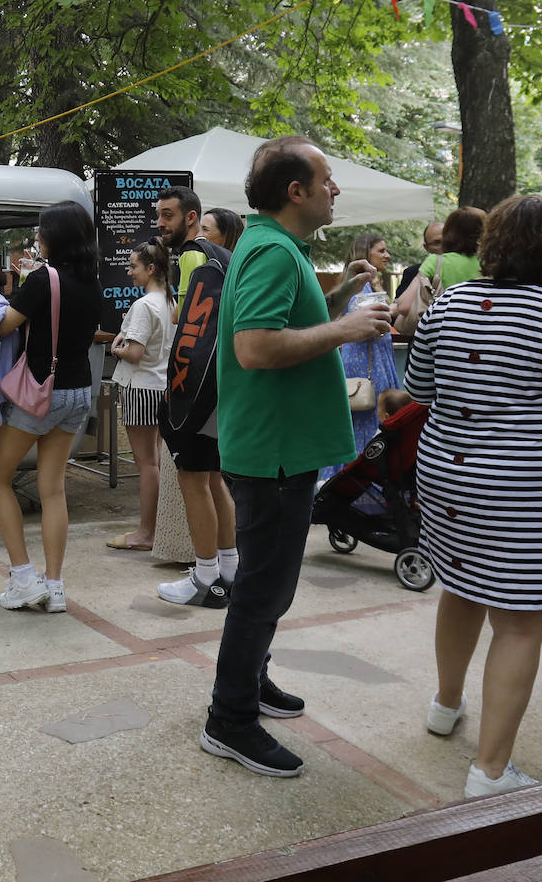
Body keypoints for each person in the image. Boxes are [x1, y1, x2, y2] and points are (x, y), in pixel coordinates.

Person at [406, 195, 542, 797]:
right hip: (520, 485)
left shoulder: (449, 301)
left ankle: (445, 706)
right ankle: (491, 772)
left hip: (444, 473)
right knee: (521, 623)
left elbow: (418, 384)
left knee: (460, 587)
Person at [201, 134, 392, 778]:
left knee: (268, 581)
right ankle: (229, 719)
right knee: (265, 588)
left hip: (275, 448)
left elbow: (280, 325)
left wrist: (339, 301)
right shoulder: (275, 253)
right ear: (296, 191)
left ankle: (251, 683)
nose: (335, 189)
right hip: (273, 453)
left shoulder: (272, 246)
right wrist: (346, 328)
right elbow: (255, 347)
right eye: (327, 179)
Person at [0, 201, 103, 614]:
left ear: (55, 238)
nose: (37, 238)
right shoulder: (91, 281)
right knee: (53, 489)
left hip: (38, 394)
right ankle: (56, 585)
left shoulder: (43, 279)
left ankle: (23, 576)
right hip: (78, 392)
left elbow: (0, 326)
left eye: (41, 231)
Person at [154, 185, 238, 608]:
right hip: (224, 386)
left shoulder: (191, 256)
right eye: (159, 215)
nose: (160, 224)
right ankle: (228, 569)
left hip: (197, 387)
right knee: (213, 478)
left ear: (190, 217)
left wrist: (175, 393)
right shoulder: (224, 256)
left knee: (192, 479)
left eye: (167, 215)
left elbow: (186, 329)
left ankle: (204, 577)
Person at [106, 238, 176, 551]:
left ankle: (146, 532)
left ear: (150, 268)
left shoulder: (144, 305)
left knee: (146, 464)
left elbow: (134, 353)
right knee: (155, 461)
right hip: (163, 387)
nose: (130, 272)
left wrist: (116, 348)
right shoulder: (171, 302)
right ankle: (155, 528)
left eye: (134, 266)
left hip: (142, 387)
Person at [319, 233, 401, 488]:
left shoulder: (360, 285)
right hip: (367, 365)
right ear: (366, 254)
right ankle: (363, 486)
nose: (387, 255)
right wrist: (397, 309)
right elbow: (364, 321)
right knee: (368, 423)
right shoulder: (359, 285)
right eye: (381, 250)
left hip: (369, 361)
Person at [394, 207, 484, 324]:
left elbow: (404, 306)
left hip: (444, 332)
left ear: (448, 233)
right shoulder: (490, 263)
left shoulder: (436, 261)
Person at [395, 220, 445, 300]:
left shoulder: (463, 270)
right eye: (437, 243)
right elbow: (399, 306)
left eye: (448, 241)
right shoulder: (412, 274)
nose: (445, 247)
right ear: (426, 247)